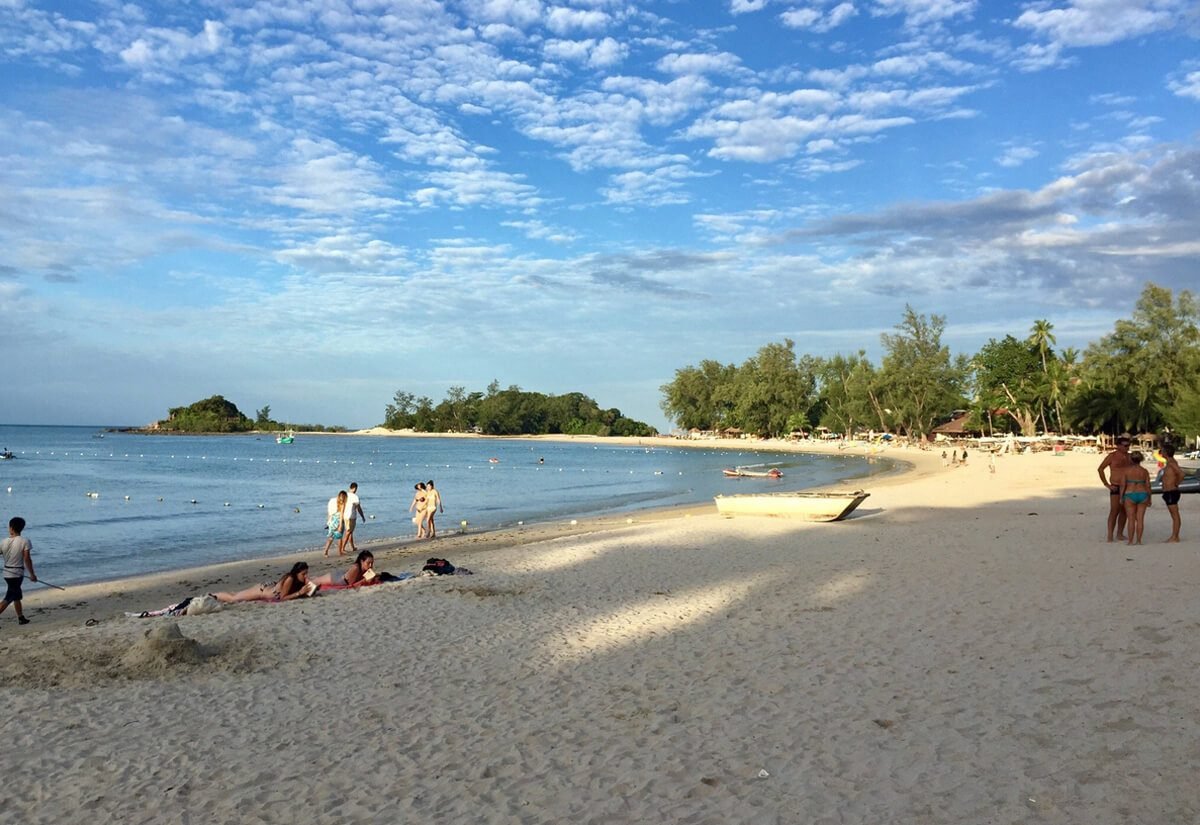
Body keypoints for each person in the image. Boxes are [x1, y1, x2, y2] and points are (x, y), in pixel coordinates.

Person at [213, 562, 315, 603]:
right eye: (303, 574)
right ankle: (213, 595)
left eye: (306, 573)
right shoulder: (290, 579)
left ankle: (219, 595)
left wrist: (311, 589)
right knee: (234, 598)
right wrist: (300, 593)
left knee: (237, 595)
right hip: (262, 590)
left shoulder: (298, 580)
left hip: (269, 587)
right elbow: (282, 598)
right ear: (296, 573)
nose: (306, 576)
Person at [0, 516, 37, 626]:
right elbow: (27, 559)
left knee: (16, 595)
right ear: (22, 528)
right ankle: (20, 618)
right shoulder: (25, 541)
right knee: (9, 597)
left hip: (7, 573)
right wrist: (32, 574)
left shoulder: (3, 542)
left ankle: (21, 618)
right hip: (17, 574)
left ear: (11, 528)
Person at [1098, 435, 1132, 542]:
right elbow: (1100, 469)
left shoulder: (1130, 457)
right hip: (1115, 486)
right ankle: (1110, 535)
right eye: (1125, 445)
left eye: (1128, 445)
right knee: (1114, 510)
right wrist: (1106, 484)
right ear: (1118, 446)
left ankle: (1120, 533)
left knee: (1124, 511)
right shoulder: (1112, 456)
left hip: (1128, 486)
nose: (1127, 447)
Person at [1120, 450, 1152, 546]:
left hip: (1130, 494)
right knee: (1140, 519)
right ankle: (1139, 540)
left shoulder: (1126, 471)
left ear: (1131, 459)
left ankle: (1130, 541)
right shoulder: (1144, 471)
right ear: (1141, 459)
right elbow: (1148, 485)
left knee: (1131, 519)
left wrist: (1121, 497)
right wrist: (1150, 498)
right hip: (1143, 493)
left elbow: (1122, 485)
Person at [1159, 443, 1184, 543]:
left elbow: (1181, 474)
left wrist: (1176, 483)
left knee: (1175, 515)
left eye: (1162, 451)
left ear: (1166, 452)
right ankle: (1175, 536)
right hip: (1168, 491)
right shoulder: (1169, 463)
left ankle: (1175, 536)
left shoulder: (1172, 463)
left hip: (1171, 491)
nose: (1161, 453)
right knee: (1174, 514)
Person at [312, 550, 376, 587]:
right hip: (339, 579)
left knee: (318, 579)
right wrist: (364, 580)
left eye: (372, 563)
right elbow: (350, 585)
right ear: (362, 561)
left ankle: (315, 577)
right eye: (368, 563)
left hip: (343, 574)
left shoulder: (366, 568)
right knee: (316, 581)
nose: (370, 565)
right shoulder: (356, 568)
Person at [339, 482, 365, 556]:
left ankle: (352, 547)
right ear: (354, 488)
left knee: (350, 532)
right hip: (351, 517)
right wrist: (362, 516)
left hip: (344, 516)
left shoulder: (345, 495)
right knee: (348, 532)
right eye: (356, 489)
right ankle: (342, 548)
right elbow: (358, 508)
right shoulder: (355, 497)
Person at [323, 490, 348, 556]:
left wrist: (328, 521)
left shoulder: (332, 500)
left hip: (332, 520)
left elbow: (329, 511)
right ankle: (340, 552)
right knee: (339, 537)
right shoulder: (342, 503)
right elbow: (341, 514)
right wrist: (340, 525)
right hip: (338, 520)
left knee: (330, 537)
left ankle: (326, 551)